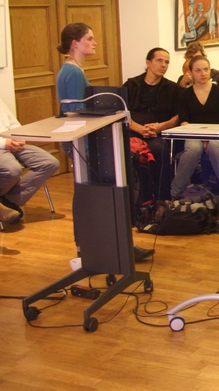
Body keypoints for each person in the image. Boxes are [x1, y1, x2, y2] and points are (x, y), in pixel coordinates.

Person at [56, 23, 154, 262]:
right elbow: (77, 113)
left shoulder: (72, 70)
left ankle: (111, 245)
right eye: (89, 38)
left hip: (85, 144)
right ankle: (100, 247)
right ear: (75, 43)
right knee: (90, 195)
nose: (95, 42)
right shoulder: (73, 72)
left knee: (89, 194)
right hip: (84, 146)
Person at [169, 55, 219, 205]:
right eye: (198, 70)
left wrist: (210, 136)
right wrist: (201, 136)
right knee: (192, 150)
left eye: (206, 69)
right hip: (194, 135)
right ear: (190, 73)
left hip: (218, 135)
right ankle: (175, 193)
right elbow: (184, 121)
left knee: (215, 148)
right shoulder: (185, 94)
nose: (203, 73)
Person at [124, 47, 181, 199]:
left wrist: (160, 127)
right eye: (159, 61)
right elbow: (121, 113)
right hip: (134, 130)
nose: (164, 65)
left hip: (159, 133)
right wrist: (139, 128)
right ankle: (134, 197)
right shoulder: (131, 85)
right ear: (148, 63)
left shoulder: (172, 88)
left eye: (167, 62)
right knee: (126, 150)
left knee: (159, 149)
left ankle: (161, 198)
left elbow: (178, 117)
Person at [0, 94, 59, 221]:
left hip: (12, 142)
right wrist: (3, 143)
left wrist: (18, 136)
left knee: (50, 162)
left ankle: (8, 200)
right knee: (13, 170)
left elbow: (13, 122)